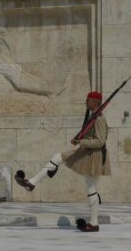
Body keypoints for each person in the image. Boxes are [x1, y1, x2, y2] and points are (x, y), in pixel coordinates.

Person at [15, 91, 111, 232]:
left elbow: (100, 141)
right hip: (86, 150)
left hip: (94, 155)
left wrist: (81, 141)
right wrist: (78, 139)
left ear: (96, 103)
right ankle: (32, 183)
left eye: (88, 100)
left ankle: (94, 223)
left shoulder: (100, 118)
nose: (86, 101)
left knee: (91, 188)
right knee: (57, 158)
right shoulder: (93, 116)